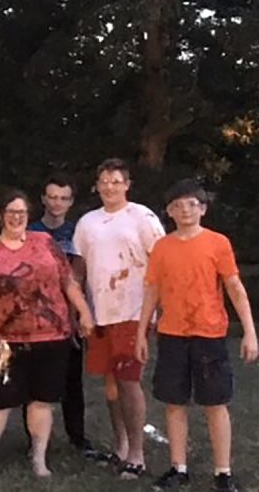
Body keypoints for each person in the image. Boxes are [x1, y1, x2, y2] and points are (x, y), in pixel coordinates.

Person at [0, 189, 94, 479]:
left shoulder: (45, 243)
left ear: (28, 215)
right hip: (5, 341)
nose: (16, 217)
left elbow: (68, 281)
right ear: (0, 216)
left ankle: (39, 459)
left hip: (51, 336)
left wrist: (84, 311)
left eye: (21, 212)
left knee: (42, 401)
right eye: (10, 212)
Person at [135, 179, 257, 492]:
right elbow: (152, 291)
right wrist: (141, 333)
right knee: (174, 403)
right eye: (178, 205)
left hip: (209, 334)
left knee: (215, 403)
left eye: (192, 204)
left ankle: (223, 472)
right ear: (169, 211)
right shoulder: (162, 247)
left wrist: (250, 333)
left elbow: (234, 288)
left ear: (202, 208)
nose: (185, 210)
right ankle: (179, 468)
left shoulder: (218, 243)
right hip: (172, 334)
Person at [72, 158, 165, 479]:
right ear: (96, 186)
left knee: (128, 380)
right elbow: (79, 269)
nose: (109, 187)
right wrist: (80, 308)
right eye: (104, 181)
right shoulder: (87, 223)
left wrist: (156, 310)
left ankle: (137, 454)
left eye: (116, 181)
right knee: (110, 382)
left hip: (133, 310)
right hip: (100, 313)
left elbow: (161, 262)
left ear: (127, 184)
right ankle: (121, 446)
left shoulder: (142, 217)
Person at [23, 174, 98, 457]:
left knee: (71, 381)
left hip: (68, 317)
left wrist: (79, 314)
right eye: (52, 197)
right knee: (34, 381)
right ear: (43, 199)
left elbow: (81, 275)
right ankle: (34, 439)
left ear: (71, 202)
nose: (57, 203)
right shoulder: (29, 231)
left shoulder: (77, 233)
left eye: (63, 198)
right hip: (34, 318)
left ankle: (77, 437)